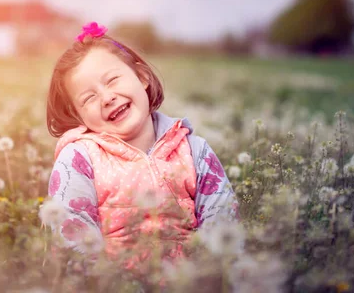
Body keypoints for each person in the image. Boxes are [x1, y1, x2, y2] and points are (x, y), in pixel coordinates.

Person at [45, 21, 238, 264]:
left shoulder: (193, 150)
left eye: (112, 80)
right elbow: (72, 240)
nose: (107, 98)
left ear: (143, 77)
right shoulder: (78, 159)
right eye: (89, 97)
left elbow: (223, 221)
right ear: (78, 117)